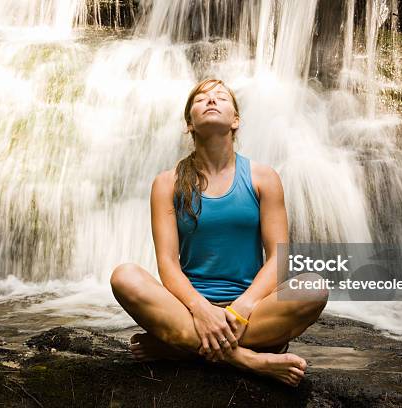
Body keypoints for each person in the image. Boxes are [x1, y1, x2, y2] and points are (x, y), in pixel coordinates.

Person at [110, 78, 328, 387]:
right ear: (189, 124)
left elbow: (278, 257)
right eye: (201, 99)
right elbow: (168, 264)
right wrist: (201, 310)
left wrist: (242, 308)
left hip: (251, 312)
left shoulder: (263, 178)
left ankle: (177, 347)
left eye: (221, 98)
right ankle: (249, 358)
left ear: (236, 120)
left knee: (314, 288)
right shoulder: (167, 183)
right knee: (124, 276)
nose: (211, 101)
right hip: (188, 309)